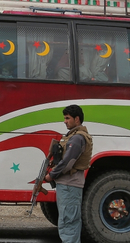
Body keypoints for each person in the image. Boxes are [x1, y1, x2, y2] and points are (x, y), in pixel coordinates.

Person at [44, 104, 93, 243]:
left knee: (68, 222)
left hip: (69, 185)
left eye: (67, 118)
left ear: (77, 119)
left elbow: (67, 163)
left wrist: (50, 176)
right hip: (69, 185)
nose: (65, 121)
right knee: (69, 221)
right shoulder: (74, 136)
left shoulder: (77, 138)